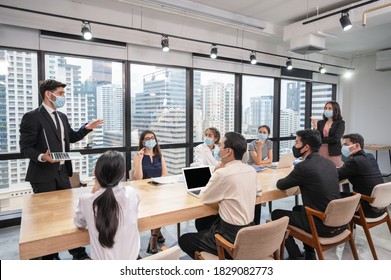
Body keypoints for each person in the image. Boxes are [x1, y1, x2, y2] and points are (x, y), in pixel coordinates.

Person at [19, 79, 103, 260]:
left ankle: (78, 253)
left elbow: (70, 137)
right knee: (47, 220)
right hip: (42, 175)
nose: (63, 97)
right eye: (61, 93)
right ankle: (50, 257)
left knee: (68, 214)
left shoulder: (62, 117)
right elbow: (25, 147)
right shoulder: (32, 117)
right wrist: (43, 156)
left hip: (63, 173)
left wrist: (87, 128)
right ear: (49, 94)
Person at [178, 132, 261, 259]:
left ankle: (215, 257)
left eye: (220, 145)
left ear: (228, 151)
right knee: (203, 222)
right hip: (248, 230)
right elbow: (258, 193)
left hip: (229, 237)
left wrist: (218, 170)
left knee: (184, 240)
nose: (218, 148)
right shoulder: (251, 170)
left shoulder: (222, 174)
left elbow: (204, 197)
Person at [271, 129, 343, 260]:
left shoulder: (304, 167)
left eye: (297, 142)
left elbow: (281, 185)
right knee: (297, 209)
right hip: (338, 222)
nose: (295, 145)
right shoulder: (329, 163)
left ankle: (296, 256)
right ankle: (310, 254)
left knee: (276, 214)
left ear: (306, 147)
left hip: (321, 226)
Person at [74, 151, 140, 260]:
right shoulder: (131, 193)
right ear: (122, 174)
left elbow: (79, 223)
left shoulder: (87, 200)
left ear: (95, 173)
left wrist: (93, 192)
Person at [133, 130, 168, 254]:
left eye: (152, 138)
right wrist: (140, 158)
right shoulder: (138, 156)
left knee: (162, 207)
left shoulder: (159, 156)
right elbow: (137, 178)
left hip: (158, 190)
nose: (150, 140)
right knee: (155, 209)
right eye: (147, 139)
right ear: (143, 142)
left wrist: (159, 184)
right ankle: (154, 237)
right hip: (144, 192)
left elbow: (165, 174)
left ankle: (155, 234)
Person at [338, 133, 385, 218]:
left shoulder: (354, 162)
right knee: (345, 188)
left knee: (333, 194)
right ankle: (352, 229)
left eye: (346, 145)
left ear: (357, 146)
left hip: (366, 209)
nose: (343, 148)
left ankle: (340, 226)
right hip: (380, 207)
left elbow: (336, 176)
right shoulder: (370, 156)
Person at [311, 101, 345, 167]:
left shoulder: (340, 123)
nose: (327, 110)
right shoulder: (320, 122)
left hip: (333, 152)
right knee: (320, 170)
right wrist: (315, 127)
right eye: (326, 108)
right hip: (320, 151)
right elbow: (316, 137)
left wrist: (320, 140)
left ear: (335, 110)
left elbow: (336, 138)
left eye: (330, 108)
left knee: (334, 171)